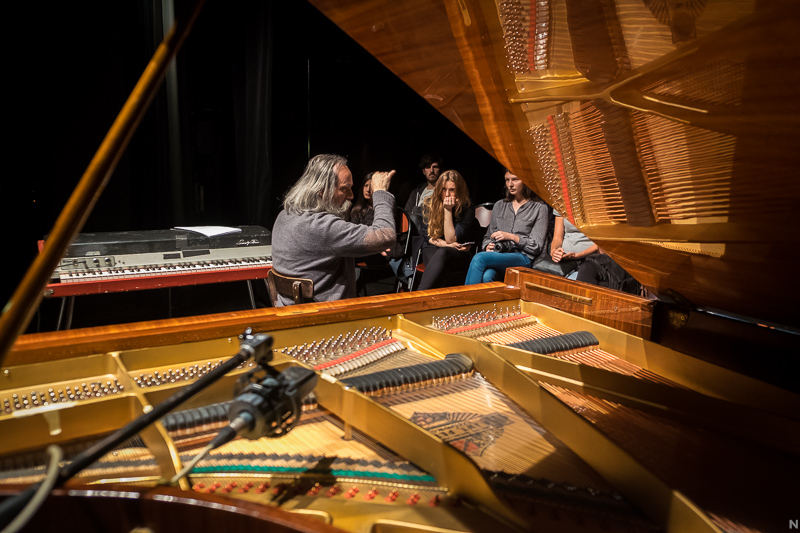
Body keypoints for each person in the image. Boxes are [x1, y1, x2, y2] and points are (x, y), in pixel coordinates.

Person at [271, 154, 396, 305]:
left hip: (287, 311)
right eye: (345, 189)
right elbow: (386, 235)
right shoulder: (321, 226)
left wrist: (367, 245)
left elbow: (320, 252)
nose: (351, 195)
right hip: (325, 318)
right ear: (322, 190)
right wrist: (380, 193)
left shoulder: (285, 215)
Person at [464, 170, 549, 285]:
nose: (510, 184)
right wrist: (487, 246)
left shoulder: (539, 208)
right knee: (487, 275)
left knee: (479, 258)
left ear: (526, 181)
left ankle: (466, 300)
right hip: (500, 254)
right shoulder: (499, 205)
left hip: (523, 257)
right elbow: (488, 236)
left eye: (515, 179)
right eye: (507, 180)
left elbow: (536, 246)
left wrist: (512, 237)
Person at [416, 170, 475, 290]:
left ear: (459, 190)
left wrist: (447, 210)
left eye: (452, 190)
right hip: (434, 245)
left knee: (443, 255)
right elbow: (429, 237)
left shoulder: (467, 207)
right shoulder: (429, 204)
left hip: (457, 251)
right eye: (444, 189)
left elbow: (450, 239)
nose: (447, 194)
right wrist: (447, 245)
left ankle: (417, 297)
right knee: (440, 268)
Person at [532, 210, 598, 279]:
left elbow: (603, 244)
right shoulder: (563, 201)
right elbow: (557, 238)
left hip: (589, 258)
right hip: (565, 257)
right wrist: (554, 251)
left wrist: (578, 255)